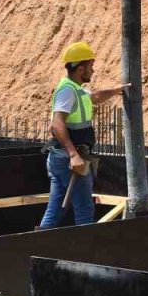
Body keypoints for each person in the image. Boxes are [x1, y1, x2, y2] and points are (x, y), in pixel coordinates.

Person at [39, 42, 126, 229]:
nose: (92, 71)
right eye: (90, 66)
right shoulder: (67, 91)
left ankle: (35, 245)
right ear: (80, 68)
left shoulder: (75, 88)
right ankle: (85, 252)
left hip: (63, 159)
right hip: (70, 160)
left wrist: (117, 90)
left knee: (56, 211)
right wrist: (73, 155)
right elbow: (56, 124)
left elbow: (94, 97)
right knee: (85, 210)